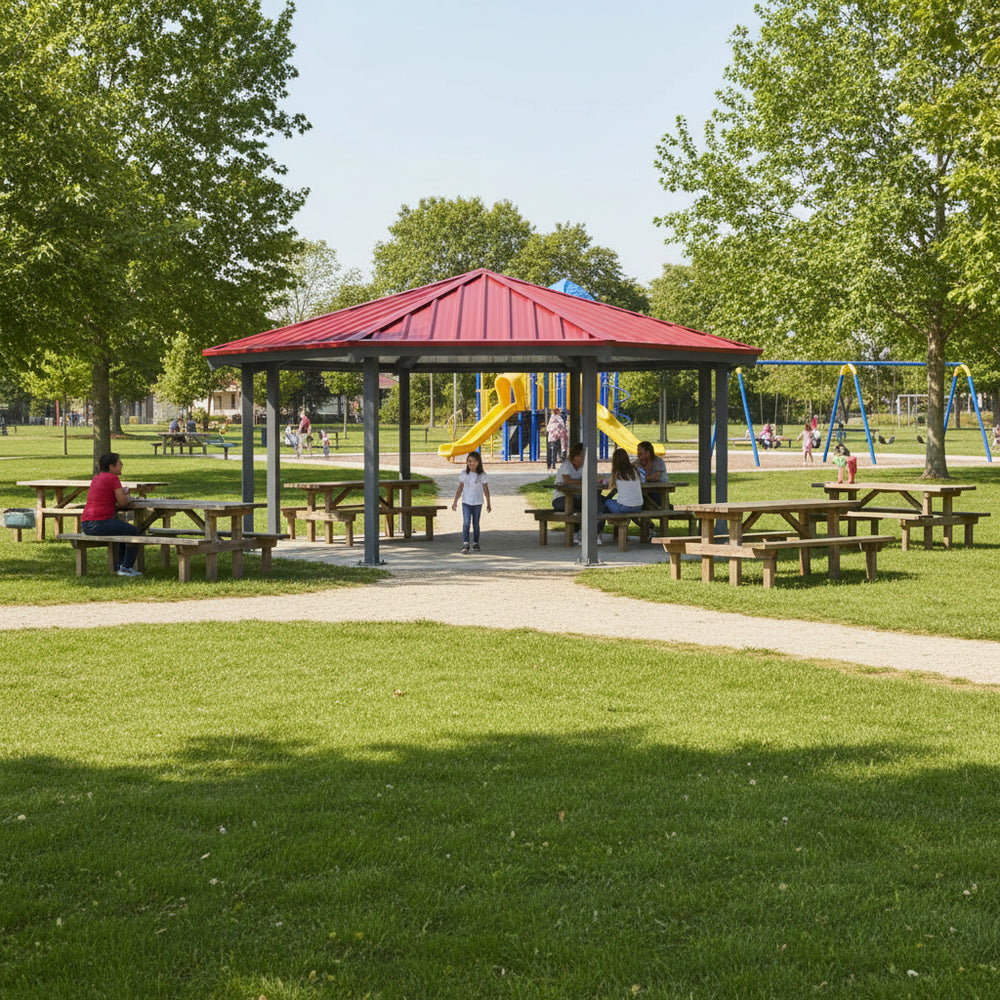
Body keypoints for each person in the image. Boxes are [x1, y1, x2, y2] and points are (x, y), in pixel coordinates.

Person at [81, 452, 142, 577]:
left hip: (86, 524)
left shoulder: (97, 478)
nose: (122, 465)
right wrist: (127, 494)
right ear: (111, 467)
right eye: (119, 464)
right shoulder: (113, 478)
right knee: (133, 531)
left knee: (122, 530)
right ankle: (126, 567)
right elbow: (124, 503)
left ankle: (120, 566)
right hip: (99, 523)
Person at [452, 450, 491, 553]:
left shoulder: (482, 475)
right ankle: (465, 543)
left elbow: (486, 490)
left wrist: (488, 503)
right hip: (466, 503)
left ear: (478, 462)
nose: (471, 463)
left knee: (476, 523)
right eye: (469, 461)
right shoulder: (464, 474)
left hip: (477, 503)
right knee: (466, 523)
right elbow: (460, 489)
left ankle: (475, 543)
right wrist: (455, 501)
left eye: (473, 461)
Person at [601, 448, 643, 543]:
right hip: (638, 507)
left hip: (624, 507)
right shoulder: (634, 470)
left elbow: (610, 486)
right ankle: (614, 533)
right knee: (614, 501)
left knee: (605, 502)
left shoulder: (617, 472)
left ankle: (598, 530)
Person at [634, 440, 668, 508]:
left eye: (640, 454)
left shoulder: (659, 462)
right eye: (638, 454)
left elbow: (657, 477)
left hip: (659, 494)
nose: (638, 456)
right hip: (643, 494)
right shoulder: (637, 463)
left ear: (648, 453)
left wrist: (642, 478)